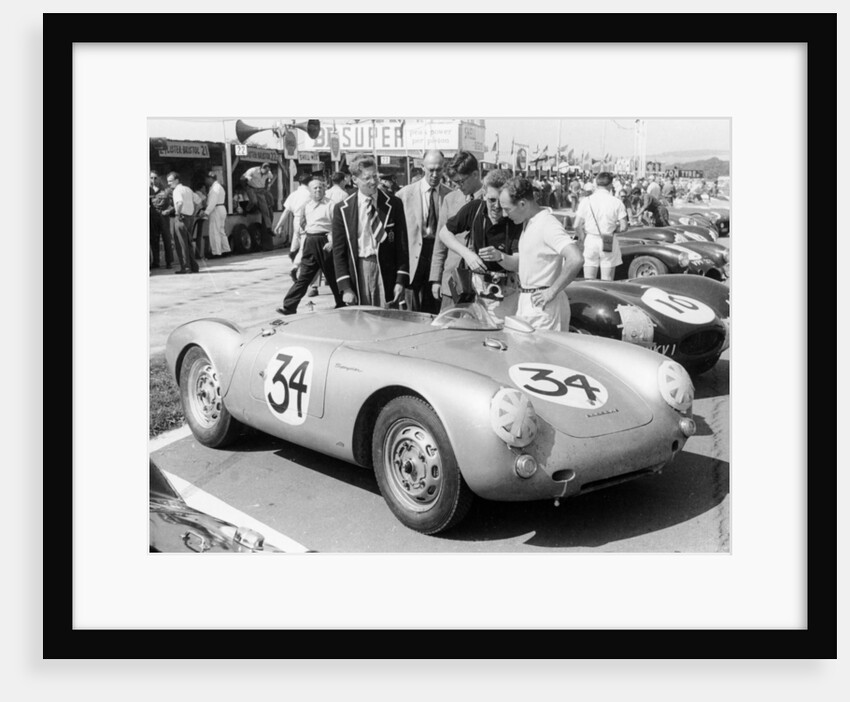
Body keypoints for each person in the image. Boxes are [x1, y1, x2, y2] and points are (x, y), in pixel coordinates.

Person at [498, 177, 584, 331]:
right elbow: (527, 264)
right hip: (530, 302)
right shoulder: (529, 223)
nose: (504, 215)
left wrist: (551, 291)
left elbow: (576, 258)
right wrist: (499, 257)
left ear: (523, 204)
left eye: (507, 209)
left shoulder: (547, 225)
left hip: (543, 307)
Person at [434, 169, 522, 314]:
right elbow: (444, 233)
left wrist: (499, 257)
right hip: (475, 290)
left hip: (505, 294)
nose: (496, 207)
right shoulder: (475, 209)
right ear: (484, 194)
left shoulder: (514, 219)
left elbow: (517, 263)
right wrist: (467, 254)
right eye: (492, 200)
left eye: (501, 202)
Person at [332, 154, 409, 308]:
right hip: (359, 269)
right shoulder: (342, 209)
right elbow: (339, 252)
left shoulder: (394, 204)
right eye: (367, 178)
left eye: (375, 176)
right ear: (355, 179)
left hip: (386, 270)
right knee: (362, 317)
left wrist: (401, 280)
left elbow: (402, 245)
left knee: (387, 317)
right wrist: (346, 287)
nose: (373, 182)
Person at [277, 177, 344, 315]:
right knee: (304, 276)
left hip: (325, 241)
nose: (318, 190)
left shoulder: (331, 205)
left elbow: (338, 226)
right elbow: (302, 223)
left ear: (325, 189)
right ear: (310, 191)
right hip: (310, 241)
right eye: (315, 188)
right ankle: (289, 307)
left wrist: (332, 242)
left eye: (320, 187)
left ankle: (342, 303)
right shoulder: (306, 205)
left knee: (332, 274)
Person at [429, 151, 486, 310]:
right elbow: (440, 244)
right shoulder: (450, 199)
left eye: (461, 181)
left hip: (482, 284)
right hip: (452, 281)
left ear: (475, 174)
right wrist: (436, 279)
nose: (458, 187)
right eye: (455, 183)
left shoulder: (491, 199)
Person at [395, 150, 451, 314]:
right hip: (413, 258)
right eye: (431, 170)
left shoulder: (450, 196)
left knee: (434, 307)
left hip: (437, 255)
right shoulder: (404, 195)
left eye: (439, 170)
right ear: (422, 167)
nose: (435, 174)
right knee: (411, 309)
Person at [574, 171, 628, 281]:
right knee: (607, 280)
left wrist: (582, 237)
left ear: (596, 184)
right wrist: (613, 229)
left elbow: (576, 225)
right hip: (608, 239)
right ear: (610, 185)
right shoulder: (617, 202)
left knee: (589, 280)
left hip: (590, 239)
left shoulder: (586, 201)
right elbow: (624, 227)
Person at [275, 172, 313, 273]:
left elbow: (286, 211)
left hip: (296, 221)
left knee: (296, 242)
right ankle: (297, 267)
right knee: (305, 246)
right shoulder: (311, 194)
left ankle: (295, 259)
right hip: (308, 221)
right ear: (310, 183)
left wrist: (279, 225)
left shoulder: (293, 194)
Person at [166, 171, 199, 274]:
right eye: (168, 181)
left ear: (176, 180)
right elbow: (199, 201)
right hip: (189, 218)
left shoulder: (176, 190)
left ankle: (186, 267)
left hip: (181, 217)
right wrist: (193, 213)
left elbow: (179, 203)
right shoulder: (188, 189)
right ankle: (194, 266)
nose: (168, 183)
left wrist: (177, 213)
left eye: (170, 181)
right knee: (188, 243)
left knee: (181, 244)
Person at [200, 170, 231, 258]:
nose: (206, 181)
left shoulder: (215, 188)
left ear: (210, 178)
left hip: (216, 209)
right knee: (221, 231)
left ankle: (216, 252)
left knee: (214, 231)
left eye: (207, 179)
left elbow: (213, 202)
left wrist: (206, 212)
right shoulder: (218, 187)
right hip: (221, 208)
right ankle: (226, 249)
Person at [241, 161, 276, 234]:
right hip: (251, 188)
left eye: (267, 171)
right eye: (265, 171)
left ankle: (269, 228)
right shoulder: (253, 170)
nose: (265, 173)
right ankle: (246, 210)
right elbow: (244, 176)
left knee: (265, 209)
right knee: (254, 201)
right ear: (261, 168)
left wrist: (269, 184)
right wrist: (248, 179)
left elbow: (273, 177)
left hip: (260, 190)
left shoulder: (268, 173)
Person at [149, 172, 174, 269]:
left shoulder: (167, 191)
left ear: (159, 178)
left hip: (163, 217)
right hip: (153, 217)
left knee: (166, 239)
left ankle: (169, 262)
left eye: (155, 178)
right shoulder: (149, 190)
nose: (153, 180)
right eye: (151, 178)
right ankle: (156, 262)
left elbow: (174, 204)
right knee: (154, 240)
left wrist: (169, 210)